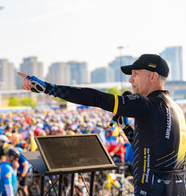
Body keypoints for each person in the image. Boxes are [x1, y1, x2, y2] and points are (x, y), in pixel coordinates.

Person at [18, 54, 186, 196]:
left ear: (153, 76)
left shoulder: (149, 105)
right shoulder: (177, 109)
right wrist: (127, 129)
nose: (130, 80)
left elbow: (96, 98)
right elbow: (150, 153)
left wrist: (48, 88)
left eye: (135, 74)